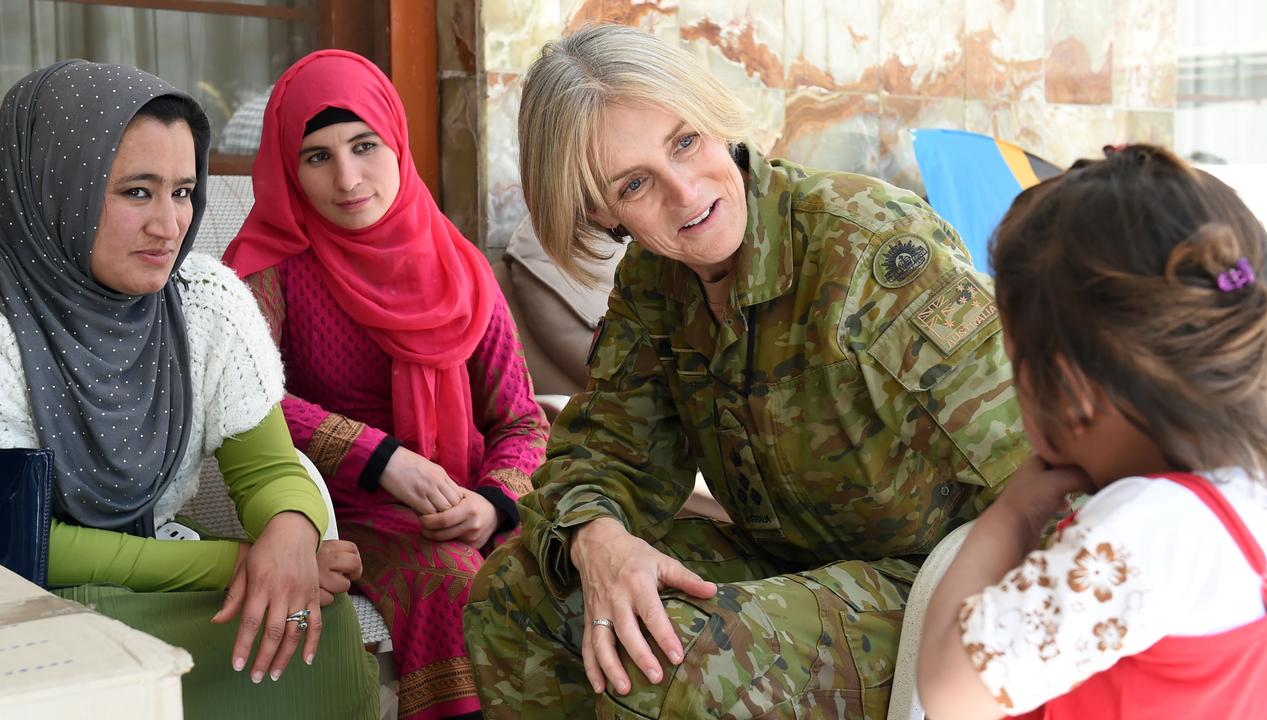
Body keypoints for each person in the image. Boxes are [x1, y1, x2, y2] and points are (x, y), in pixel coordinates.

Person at [463, 23, 1029, 719]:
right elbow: (606, 449)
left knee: (676, 660)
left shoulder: (869, 251)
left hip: (931, 585)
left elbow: (1043, 459)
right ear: (598, 211)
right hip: (787, 569)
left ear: (713, 116)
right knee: (516, 597)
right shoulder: (655, 279)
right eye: (635, 183)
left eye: (685, 141)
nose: (684, 192)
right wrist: (598, 538)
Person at [0, 61, 379, 718]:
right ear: (54, 188)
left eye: (182, 191)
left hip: (157, 568)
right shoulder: (7, 327)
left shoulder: (203, 303)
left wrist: (289, 536)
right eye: (136, 193)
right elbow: (27, 539)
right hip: (26, 604)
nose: (171, 225)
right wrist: (241, 565)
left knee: (313, 622)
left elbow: (268, 470)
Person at [222, 50, 549, 720]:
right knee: (453, 578)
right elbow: (245, 395)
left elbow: (520, 421)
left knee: (570, 562)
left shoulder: (458, 265)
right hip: (334, 513)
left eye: (364, 146)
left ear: (395, 141)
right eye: (317, 157)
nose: (347, 178)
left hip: (460, 503)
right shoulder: (266, 267)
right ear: (289, 166)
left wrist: (494, 503)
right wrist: (381, 458)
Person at [916, 145, 1267, 719]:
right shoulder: (1257, 494)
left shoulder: (1144, 530)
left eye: (1015, 364)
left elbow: (947, 687)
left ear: (1072, 392)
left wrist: (1012, 516)